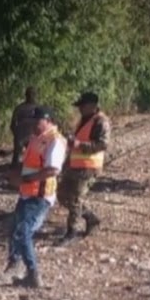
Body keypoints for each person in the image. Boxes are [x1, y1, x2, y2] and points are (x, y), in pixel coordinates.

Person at [1, 106, 67, 289]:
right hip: (28, 192)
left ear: (48, 121)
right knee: (15, 228)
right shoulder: (36, 138)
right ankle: (15, 264)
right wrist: (16, 175)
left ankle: (33, 274)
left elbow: (52, 170)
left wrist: (24, 179)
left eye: (37, 121)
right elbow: (30, 164)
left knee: (23, 231)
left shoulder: (54, 141)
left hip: (40, 195)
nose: (33, 125)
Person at [56, 91, 112, 245]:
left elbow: (103, 144)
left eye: (82, 105)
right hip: (75, 164)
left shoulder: (101, 121)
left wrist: (80, 145)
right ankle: (91, 218)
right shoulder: (85, 119)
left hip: (89, 166)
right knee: (62, 195)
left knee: (75, 198)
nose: (80, 108)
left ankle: (72, 232)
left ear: (93, 106)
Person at [9, 87, 39, 167]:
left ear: (36, 95)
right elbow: (12, 124)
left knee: (35, 158)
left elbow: (44, 123)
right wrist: (16, 135)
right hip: (21, 135)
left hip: (34, 136)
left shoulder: (39, 108)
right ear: (26, 95)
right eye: (29, 94)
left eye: (33, 94)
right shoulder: (19, 108)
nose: (31, 96)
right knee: (16, 159)